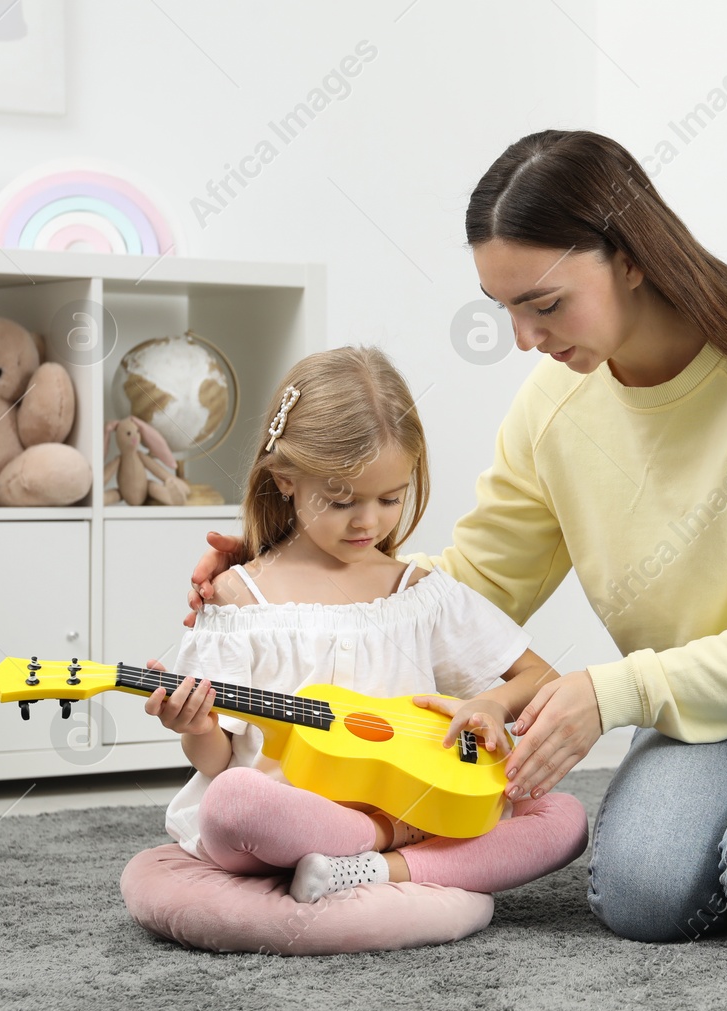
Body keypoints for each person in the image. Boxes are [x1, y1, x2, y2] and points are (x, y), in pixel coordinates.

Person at [187, 130, 727, 946]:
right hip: (726, 710)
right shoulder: (554, 409)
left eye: (543, 304)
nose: (524, 338)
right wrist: (302, 575)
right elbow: (475, 580)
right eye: (504, 308)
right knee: (639, 898)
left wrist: (611, 695)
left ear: (631, 258)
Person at [151, 345, 587, 906]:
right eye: (340, 501)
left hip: (413, 804)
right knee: (233, 801)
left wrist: (495, 705)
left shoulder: (417, 594)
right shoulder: (240, 600)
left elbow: (540, 678)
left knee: (563, 816)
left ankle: (378, 868)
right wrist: (195, 728)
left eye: (390, 498)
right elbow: (217, 761)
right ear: (285, 479)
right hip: (289, 813)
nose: (369, 521)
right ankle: (383, 850)